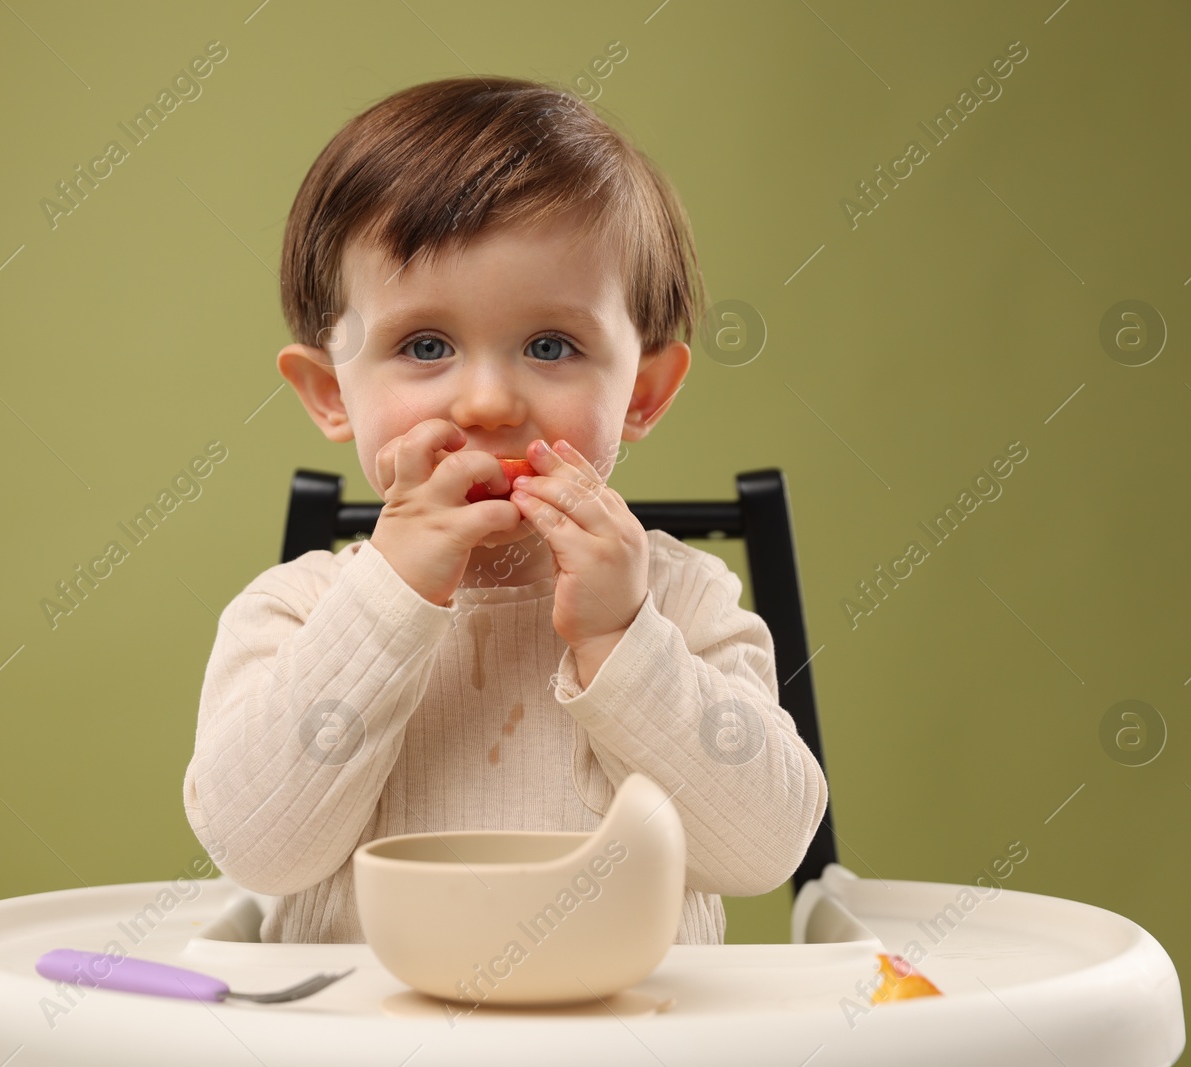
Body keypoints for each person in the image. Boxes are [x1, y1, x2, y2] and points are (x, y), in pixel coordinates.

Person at [182, 75, 826, 945]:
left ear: (644, 391)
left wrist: (622, 639)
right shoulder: (294, 611)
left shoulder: (681, 600)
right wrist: (386, 604)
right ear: (331, 393)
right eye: (425, 345)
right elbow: (258, 849)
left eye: (550, 346)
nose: (487, 401)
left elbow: (762, 848)